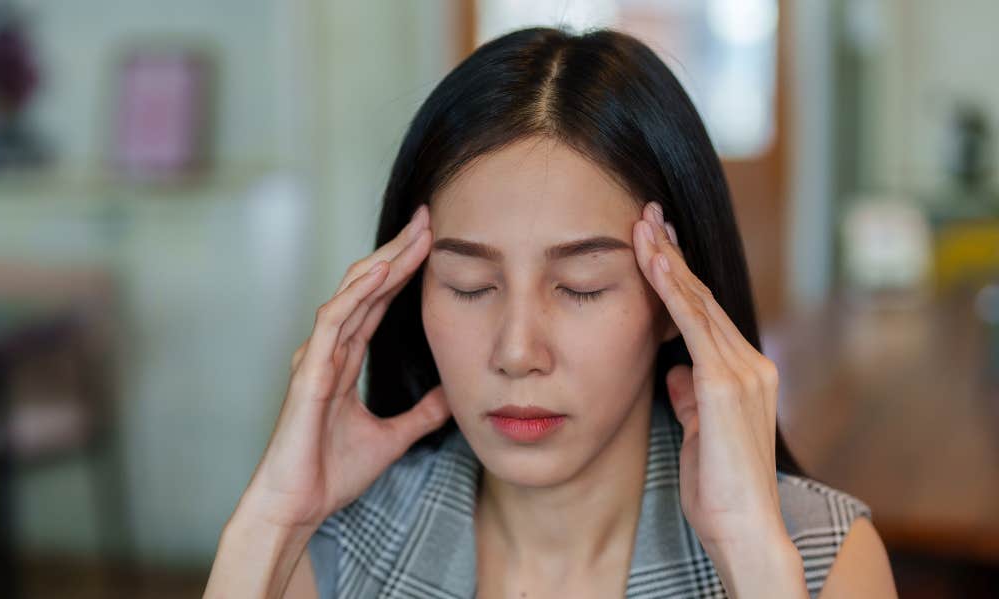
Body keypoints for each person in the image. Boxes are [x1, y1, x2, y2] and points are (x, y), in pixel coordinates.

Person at [203, 27, 897, 598]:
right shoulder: (333, 551)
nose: (516, 349)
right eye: (470, 284)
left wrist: (751, 553)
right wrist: (273, 517)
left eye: (583, 285)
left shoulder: (820, 558)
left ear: (672, 305)